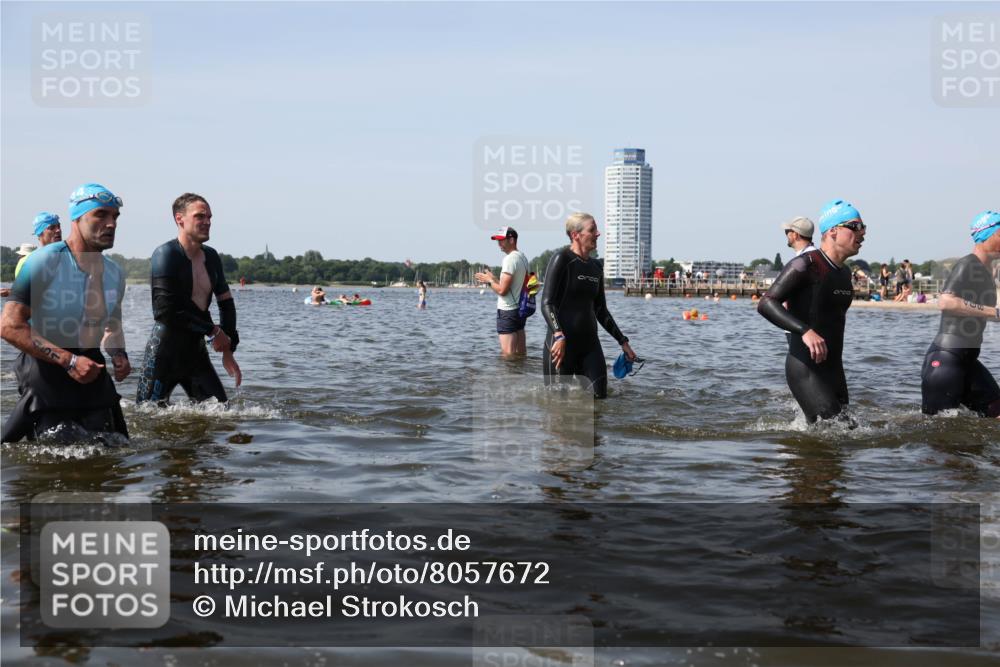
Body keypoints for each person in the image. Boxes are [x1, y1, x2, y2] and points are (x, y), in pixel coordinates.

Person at [1, 184, 131, 442]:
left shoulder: (115, 273)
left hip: (92, 367)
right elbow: (9, 325)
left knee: (115, 453)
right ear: (77, 218)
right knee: (57, 461)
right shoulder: (46, 261)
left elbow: (112, 325)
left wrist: (119, 354)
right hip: (46, 367)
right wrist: (69, 361)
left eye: (114, 217)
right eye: (101, 215)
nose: (111, 224)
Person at [757, 199, 866, 423]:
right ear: (834, 231)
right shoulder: (805, 264)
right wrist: (804, 331)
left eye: (864, 227)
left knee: (842, 437)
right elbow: (767, 303)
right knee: (838, 434)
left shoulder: (844, 273)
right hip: (805, 368)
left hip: (834, 369)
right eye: (856, 227)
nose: (863, 233)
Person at [136, 193, 241, 405]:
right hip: (164, 352)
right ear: (179, 219)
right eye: (200, 216)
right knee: (146, 418)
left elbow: (226, 303)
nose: (207, 222)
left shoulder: (211, 257)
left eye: (209, 217)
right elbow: (164, 310)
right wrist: (212, 331)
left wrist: (228, 346)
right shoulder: (165, 254)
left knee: (223, 414)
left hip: (196, 353)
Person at [541, 213, 637, 399]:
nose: (598, 234)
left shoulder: (596, 267)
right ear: (576, 235)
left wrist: (623, 342)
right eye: (592, 230)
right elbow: (547, 303)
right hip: (561, 346)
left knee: (600, 401)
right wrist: (559, 335)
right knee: (558, 408)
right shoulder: (562, 259)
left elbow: (600, 310)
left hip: (590, 346)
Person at [921, 210, 1000, 418]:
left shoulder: (987, 270)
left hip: (968, 361)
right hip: (946, 361)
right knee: (941, 440)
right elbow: (946, 301)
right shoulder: (968, 263)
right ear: (986, 235)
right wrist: (995, 312)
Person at [475, 226, 529, 358]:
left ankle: (508, 379)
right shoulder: (523, 257)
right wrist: (493, 278)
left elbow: (503, 291)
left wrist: (489, 281)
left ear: (511, 240)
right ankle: (521, 378)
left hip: (508, 312)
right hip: (520, 311)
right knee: (520, 355)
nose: (499, 244)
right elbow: (513, 286)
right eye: (497, 240)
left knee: (508, 356)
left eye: (501, 240)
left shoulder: (509, 259)